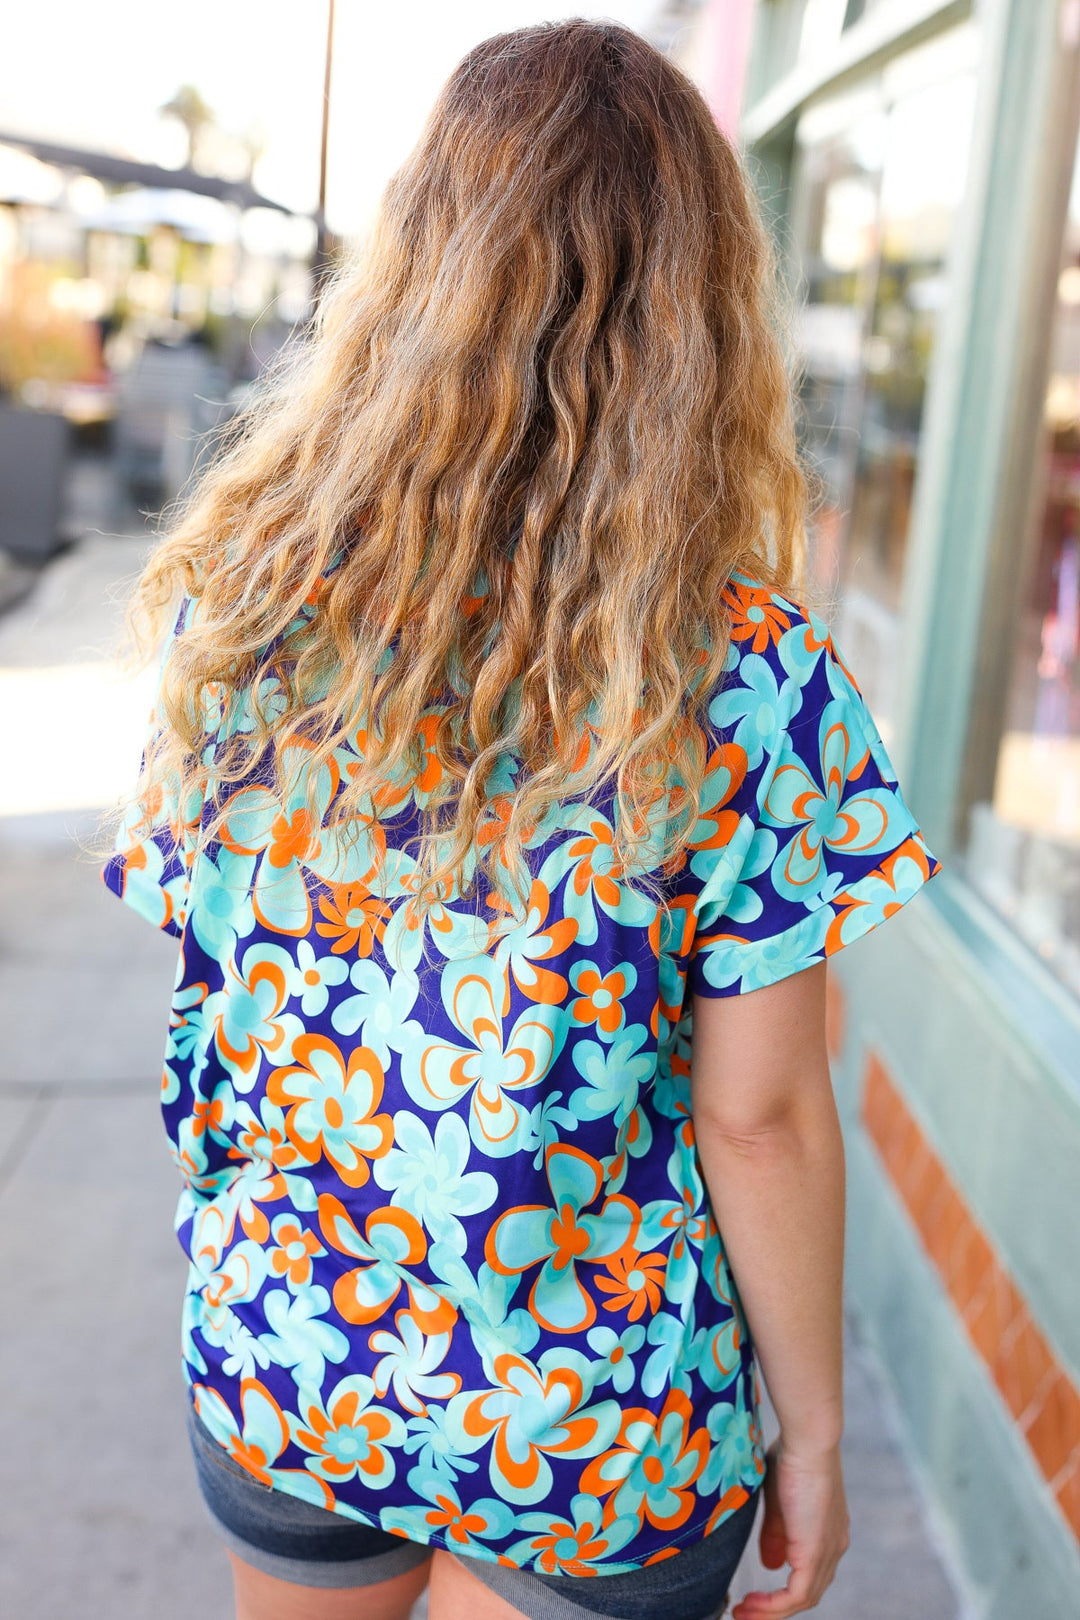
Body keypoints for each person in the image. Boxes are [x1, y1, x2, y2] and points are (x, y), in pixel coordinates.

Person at [100, 20, 941, 1620]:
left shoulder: (249, 604)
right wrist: (814, 1436)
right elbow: (757, 1118)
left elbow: (210, 965)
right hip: (588, 1425)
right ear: (700, 310)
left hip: (298, 1357)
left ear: (419, 271)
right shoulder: (746, 671)